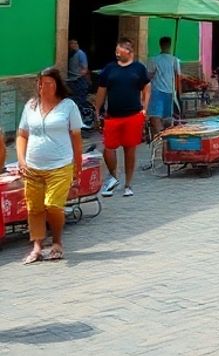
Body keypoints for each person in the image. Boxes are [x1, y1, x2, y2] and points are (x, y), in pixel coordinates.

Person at [16, 68, 83, 264]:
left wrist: (77, 167)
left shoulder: (68, 106)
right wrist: (21, 160)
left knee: (53, 205)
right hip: (33, 166)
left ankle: (57, 242)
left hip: (60, 165)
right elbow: (22, 135)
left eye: (48, 83)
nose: (43, 87)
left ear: (56, 85)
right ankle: (37, 246)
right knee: (34, 208)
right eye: (40, 83)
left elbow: (76, 139)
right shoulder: (31, 106)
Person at [95, 37, 150, 197]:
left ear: (129, 52)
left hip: (133, 115)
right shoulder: (109, 69)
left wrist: (145, 108)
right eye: (116, 51)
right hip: (112, 116)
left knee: (129, 150)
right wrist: (97, 109)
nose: (117, 54)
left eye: (120, 51)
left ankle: (128, 184)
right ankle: (113, 176)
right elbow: (101, 90)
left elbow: (147, 87)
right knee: (108, 148)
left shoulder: (138, 68)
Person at [146, 36, 181, 138]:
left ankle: (160, 136)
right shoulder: (175, 60)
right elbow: (178, 77)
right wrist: (178, 93)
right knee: (167, 116)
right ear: (170, 46)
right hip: (170, 92)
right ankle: (163, 136)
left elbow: (149, 76)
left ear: (160, 45)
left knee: (156, 115)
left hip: (157, 91)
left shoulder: (154, 60)